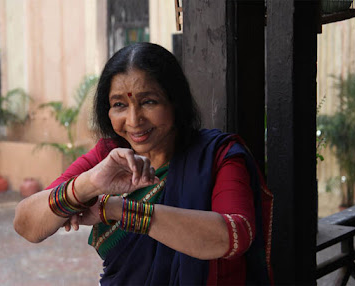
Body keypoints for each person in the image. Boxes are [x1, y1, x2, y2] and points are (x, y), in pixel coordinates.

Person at [14, 42, 273, 285]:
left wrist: (115, 209)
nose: (134, 119)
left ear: (175, 102)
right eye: (119, 105)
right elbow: (26, 224)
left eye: (148, 101)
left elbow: (233, 236)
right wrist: (86, 185)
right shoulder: (109, 155)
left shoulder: (219, 156)